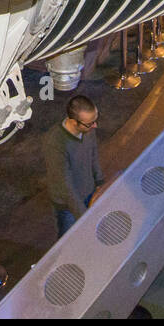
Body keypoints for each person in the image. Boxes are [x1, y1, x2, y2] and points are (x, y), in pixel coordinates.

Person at [42, 94, 105, 238]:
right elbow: (65, 184)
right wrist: (84, 216)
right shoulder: (55, 142)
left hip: (89, 192)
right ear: (73, 121)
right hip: (68, 205)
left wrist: (100, 182)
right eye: (90, 123)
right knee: (68, 240)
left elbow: (93, 155)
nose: (95, 126)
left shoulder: (88, 130)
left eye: (95, 121)